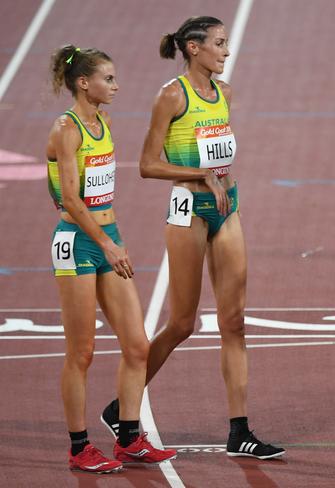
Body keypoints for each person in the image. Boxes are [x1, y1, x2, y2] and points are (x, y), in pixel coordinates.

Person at [99, 17, 284, 460]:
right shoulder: (171, 96)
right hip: (188, 213)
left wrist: (222, 180)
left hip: (226, 210)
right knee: (183, 322)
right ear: (194, 48)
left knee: (234, 321)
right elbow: (147, 164)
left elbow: (220, 152)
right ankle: (120, 407)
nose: (226, 51)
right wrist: (201, 175)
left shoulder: (225, 94)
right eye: (219, 44)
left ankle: (239, 431)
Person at [47, 45, 177, 473]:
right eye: (109, 78)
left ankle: (128, 439)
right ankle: (79, 446)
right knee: (81, 353)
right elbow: (68, 196)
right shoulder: (66, 129)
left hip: (107, 236)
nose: (116, 86)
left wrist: (110, 239)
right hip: (78, 242)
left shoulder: (101, 121)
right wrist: (106, 243)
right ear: (84, 83)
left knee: (137, 346)